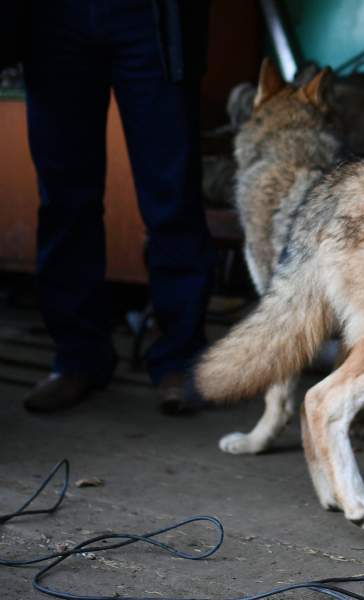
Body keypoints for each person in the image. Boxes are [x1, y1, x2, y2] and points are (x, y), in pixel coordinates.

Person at [14, 0, 215, 413]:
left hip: (149, 16)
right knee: (63, 198)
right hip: (53, 19)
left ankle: (181, 359)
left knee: (172, 194)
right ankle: (76, 358)